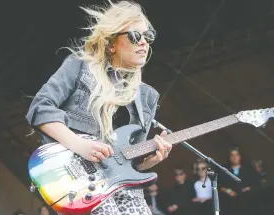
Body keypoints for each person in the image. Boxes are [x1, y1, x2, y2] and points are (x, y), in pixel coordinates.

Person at [26, 1, 172, 215]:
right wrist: (79, 144)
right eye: (134, 36)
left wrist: (148, 162)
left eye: (147, 36)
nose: (143, 43)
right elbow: (40, 108)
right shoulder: (79, 66)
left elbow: (126, 165)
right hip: (77, 180)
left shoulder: (146, 97)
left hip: (120, 186)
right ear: (111, 43)